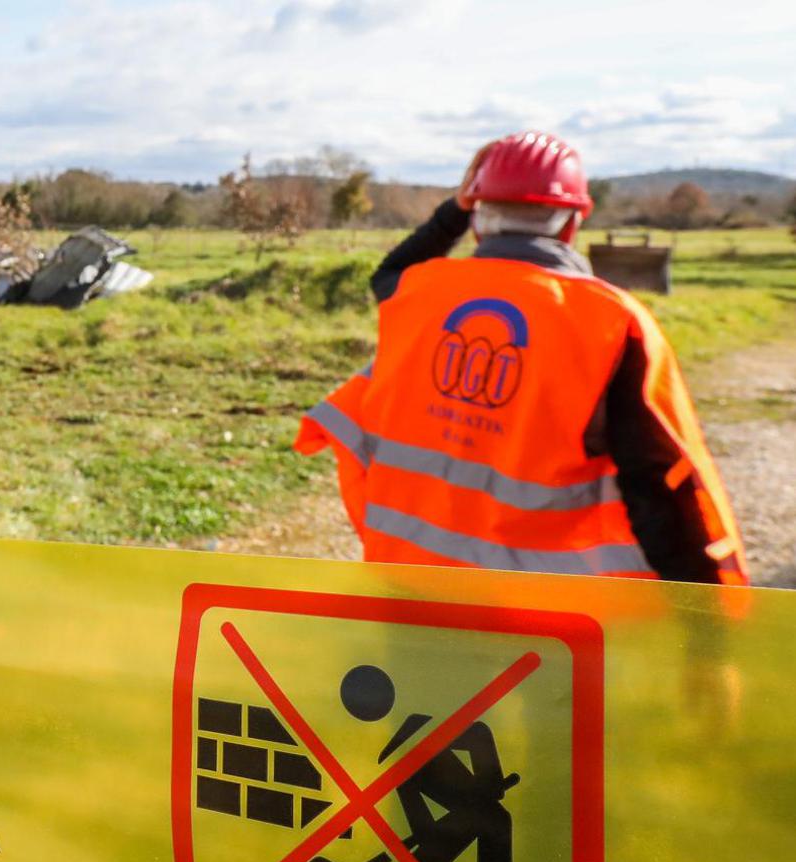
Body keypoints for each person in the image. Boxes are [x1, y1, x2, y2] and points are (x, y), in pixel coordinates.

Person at [295, 131, 748, 583]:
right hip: (539, 616)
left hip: (409, 588)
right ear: (572, 223)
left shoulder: (418, 292)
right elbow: (654, 484)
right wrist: (699, 608)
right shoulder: (609, 321)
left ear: (476, 217)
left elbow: (388, 271)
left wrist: (455, 208)